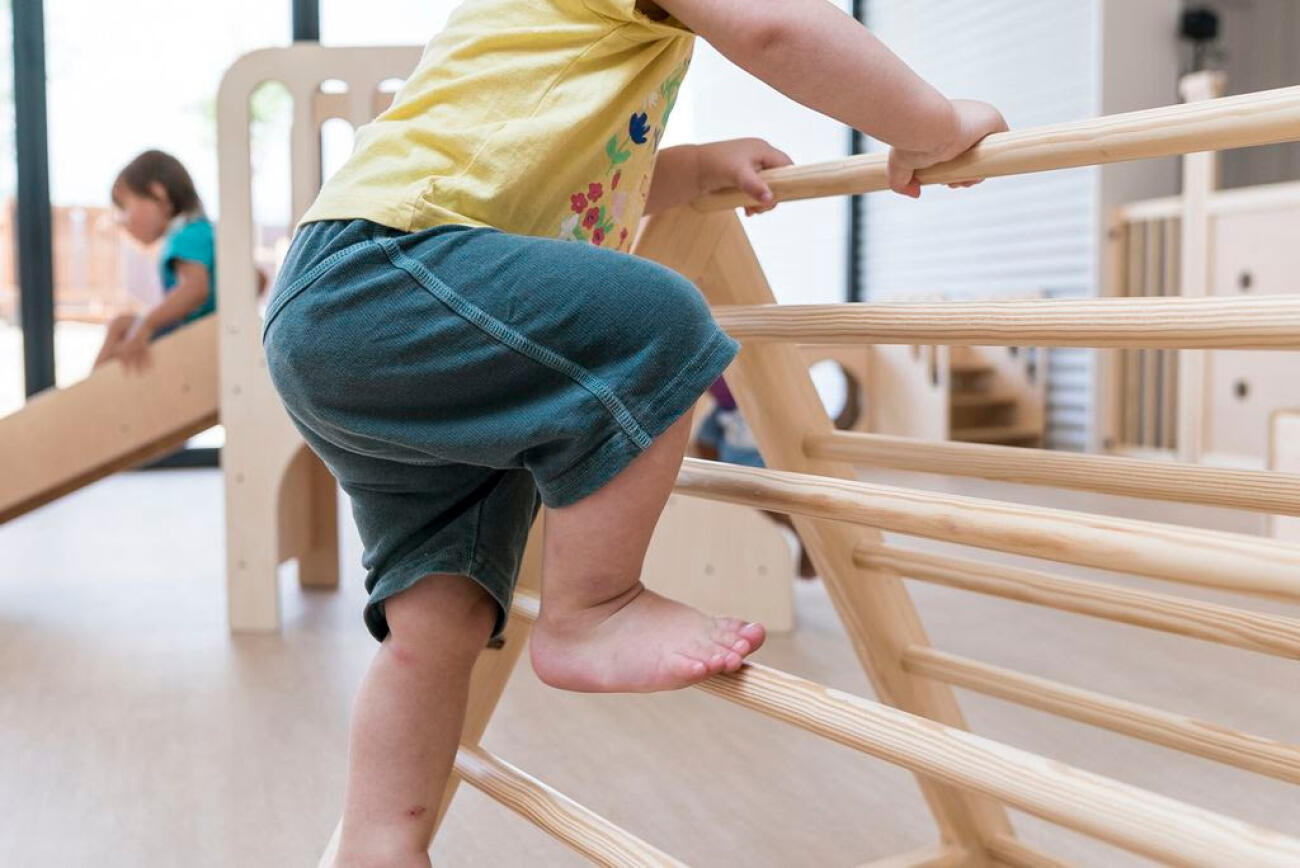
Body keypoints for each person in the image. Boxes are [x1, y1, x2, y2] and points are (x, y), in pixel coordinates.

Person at [260, 1, 1006, 863]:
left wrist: (684, 169)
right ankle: (594, 610)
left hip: (354, 312)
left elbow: (549, 168)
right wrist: (934, 123)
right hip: (393, 273)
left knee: (441, 616)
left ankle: (379, 845)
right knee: (655, 319)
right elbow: (777, 30)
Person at [93, 150, 216, 372]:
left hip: (199, 341)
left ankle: (86, 399)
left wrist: (146, 325)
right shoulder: (204, 231)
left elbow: (196, 289)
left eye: (125, 207)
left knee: (121, 326)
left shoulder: (186, 234)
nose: (123, 221)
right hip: (202, 335)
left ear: (158, 193)